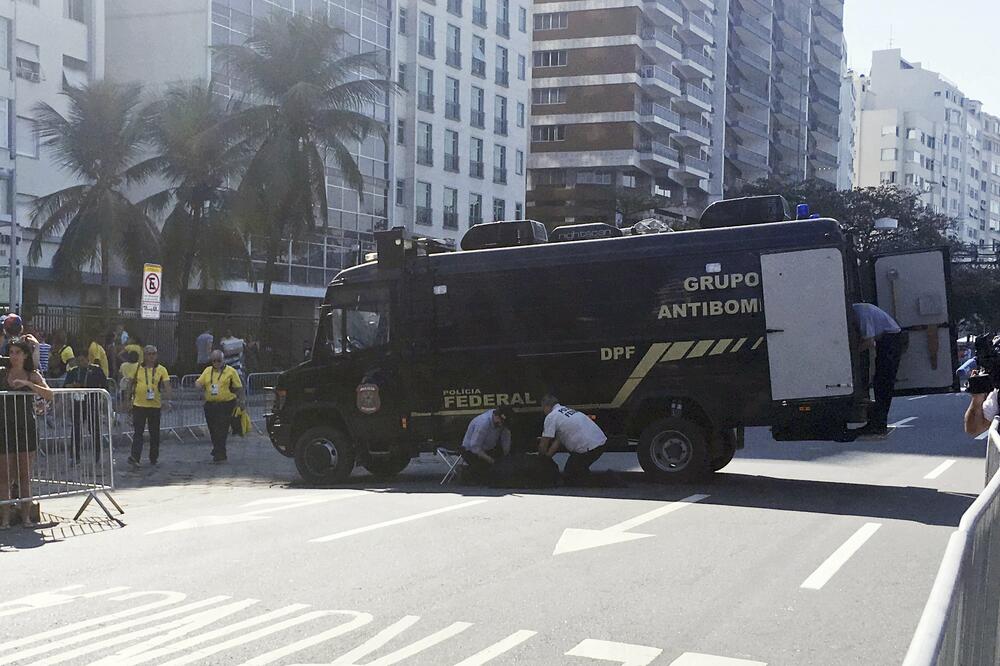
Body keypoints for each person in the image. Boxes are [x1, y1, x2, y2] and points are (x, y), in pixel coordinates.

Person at [0, 337, 53, 528]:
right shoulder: (2, 372)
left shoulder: (32, 374)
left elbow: (49, 394)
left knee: (24, 475)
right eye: (11, 352)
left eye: (18, 352)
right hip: (4, 426)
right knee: (4, 476)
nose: (14, 356)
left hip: (26, 427)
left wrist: (28, 384)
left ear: (25, 355)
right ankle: (5, 520)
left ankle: (26, 519)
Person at [852, 303, 905, 436]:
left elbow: (869, 341)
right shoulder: (860, 309)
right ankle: (876, 423)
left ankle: (879, 424)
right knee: (880, 382)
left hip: (891, 340)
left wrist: (852, 356)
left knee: (883, 383)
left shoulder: (861, 313)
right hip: (888, 338)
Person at [537, 394, 608, 483]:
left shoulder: (551, 416)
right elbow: (558, 441)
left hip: (588, 448)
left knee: (570, 476)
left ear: (547, 406)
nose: (543, 411)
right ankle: (583, 471)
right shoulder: (566, 411)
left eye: (543, 408)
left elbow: (544, 443)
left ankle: (606, 479)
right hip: (600, 443)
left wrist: (540, 462)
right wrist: (548, 457)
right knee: (576, 469)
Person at [196, 350, 246, 463]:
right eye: (214, 361)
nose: (216, 363)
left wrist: (241, 401)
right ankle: (218, 449)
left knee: (222, 429)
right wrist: (198, 386)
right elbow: (199, 382)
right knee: (213, 430)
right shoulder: (207, 371)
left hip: (226, 404)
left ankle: (220, 453)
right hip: (210, 405)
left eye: (219, 360)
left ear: (223, 360)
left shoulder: (231, 371)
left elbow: (239, 388)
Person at [127, 345, 171, 466]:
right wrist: (127, 401)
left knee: (154, 433)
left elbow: (167, 386)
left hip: (154, 406)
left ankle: (153, 457)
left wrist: (168, 400)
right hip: (139, 405)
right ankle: (135, 457)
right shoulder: (137, 368)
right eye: (149, 354)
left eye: (153, 354)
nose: (151, 356)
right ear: (145, 356)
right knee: (138, 432)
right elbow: (130, 384)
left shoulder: (161, 369)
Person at [65, 351, 107, 464]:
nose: (81, 363)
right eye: (78, 361)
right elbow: (65, 385)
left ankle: (97, 455)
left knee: (94, 429)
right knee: (76, 429)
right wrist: (73, 386)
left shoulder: (96, 370)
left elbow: (104, 385)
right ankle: (75, 456)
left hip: (92, 403)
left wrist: (101, 399)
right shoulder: (74, 371)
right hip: (78, 403)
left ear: (88, 359)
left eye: (82, 360)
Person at [460, 406, 514, 481]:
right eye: (501, 422)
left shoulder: (501, 422)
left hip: (489, 449)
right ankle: (466, 471)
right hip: (471, 451)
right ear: (496, 416)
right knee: (485, 475)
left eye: (504, 423)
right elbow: (475, 447)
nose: (501, 425)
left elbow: (506, 440)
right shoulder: (483, 423)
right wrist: (491, 461)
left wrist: (505, 457)